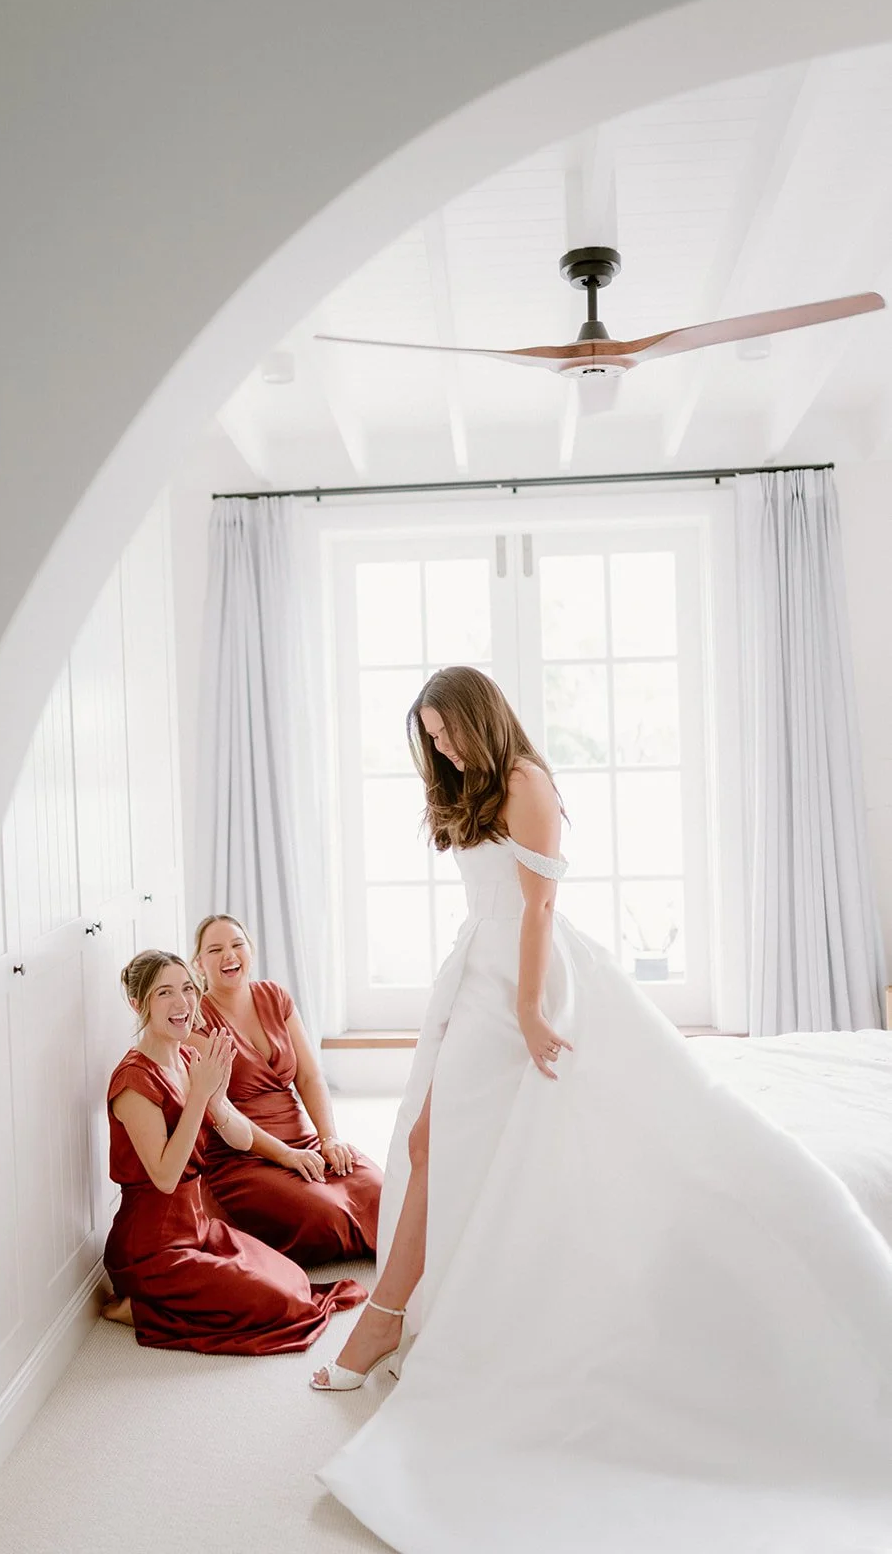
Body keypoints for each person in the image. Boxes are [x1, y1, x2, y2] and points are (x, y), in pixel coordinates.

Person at [314, 666, 892, 1554]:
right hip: (476, 977)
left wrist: (527, 1011)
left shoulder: (526, 783)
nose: (441, 747)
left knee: (444, 1145)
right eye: (428, 736)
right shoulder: (474, 785)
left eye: (447, 730)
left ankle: (379, 1322)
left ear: (480, 716)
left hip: (525, 984)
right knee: (429, 1140)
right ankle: (396, 1314)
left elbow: (540, 907)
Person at [101, 948, 365, 1353]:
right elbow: (166, 1176)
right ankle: (138, 1308)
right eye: (164, 993)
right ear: (138, 1004)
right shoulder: (134, 1083)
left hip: (198, 1228)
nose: (182, 1003)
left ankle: (181, 1295)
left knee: (294, 1281)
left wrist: (218, 1101)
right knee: (282, 1305)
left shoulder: (190, 1059)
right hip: (150, 1249)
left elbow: (239, 1138)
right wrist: (198, 1099)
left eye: (188, 989)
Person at [191, 914, 382, 1264]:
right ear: (198, 964)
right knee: (325, 1215)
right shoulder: (197, 1022)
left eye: (236, 945)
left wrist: (329, 1139)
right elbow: (222, 1113)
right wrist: (286, 1156)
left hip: (303, 1141)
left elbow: (309, 1077)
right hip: (242, 1157)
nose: (228, 956)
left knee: (380, 1193)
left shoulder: (274, 996)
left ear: (251, 949)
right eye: (214, 949)